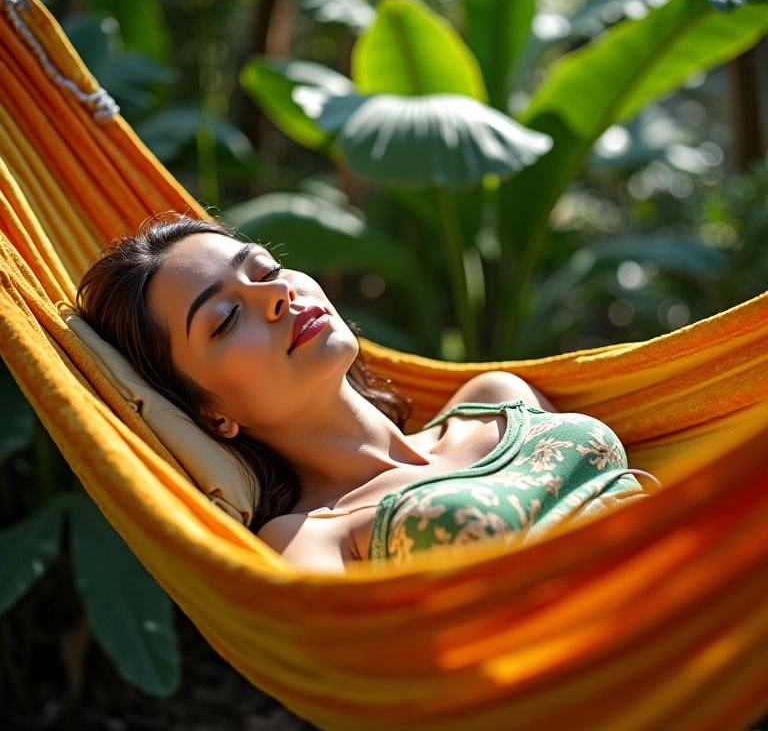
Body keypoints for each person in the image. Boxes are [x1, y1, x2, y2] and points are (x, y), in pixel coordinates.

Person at [76, 216, 656, 573]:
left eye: (266, 267)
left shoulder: (496, 395)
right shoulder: (312, 536)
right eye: (226, 318)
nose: (276, 293)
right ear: (211, 412)